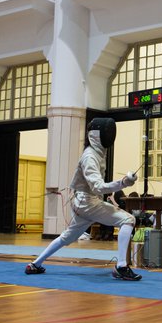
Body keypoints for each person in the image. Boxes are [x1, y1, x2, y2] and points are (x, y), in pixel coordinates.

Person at [25, 117, 142, 281]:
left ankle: (35, 264)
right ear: (97, 135)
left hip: (84, 203)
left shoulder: (98, 153)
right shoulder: (90, 157)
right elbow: (98, 187)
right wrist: (122, 183)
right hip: (88, 203)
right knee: (128, 219)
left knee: (67, 237)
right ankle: (121, 266)